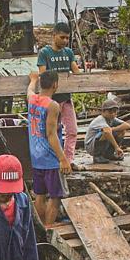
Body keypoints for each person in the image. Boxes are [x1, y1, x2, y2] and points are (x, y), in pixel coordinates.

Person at [27, 70, 71, 225]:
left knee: (39, 195)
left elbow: (30, 90)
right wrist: (63, 158)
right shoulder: (52, 106)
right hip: (50, 158)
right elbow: (51, 134)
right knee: (55, 197)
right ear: (55, 85)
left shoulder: (32, 100)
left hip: (36, 157)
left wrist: (33, 80)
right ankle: (48, 229)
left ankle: (40, 229)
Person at [37, 22, 82, 166]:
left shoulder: (68, 53)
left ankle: (69, 160)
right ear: (54, 35)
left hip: (66, 98)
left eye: (67, 38)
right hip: (51, 101)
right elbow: (43, 76)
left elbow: (76, 73)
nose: (65, 41)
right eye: (62, 37)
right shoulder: (45, 53)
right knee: (52, 131)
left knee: (72, 131)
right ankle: (53, 159)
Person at [84, 98, 130, 164]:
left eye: (115, 112)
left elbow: (127, 125)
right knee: (105, 132)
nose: (113, 114)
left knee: (122, 131)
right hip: (91, 146)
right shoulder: (100, 119)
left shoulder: (112, 119)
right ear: (103, 112)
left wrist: (112, 129)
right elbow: (107, 132)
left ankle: (109, 154)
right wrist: (117, 147)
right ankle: (97, 156)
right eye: (110, 112)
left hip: (101, 141)